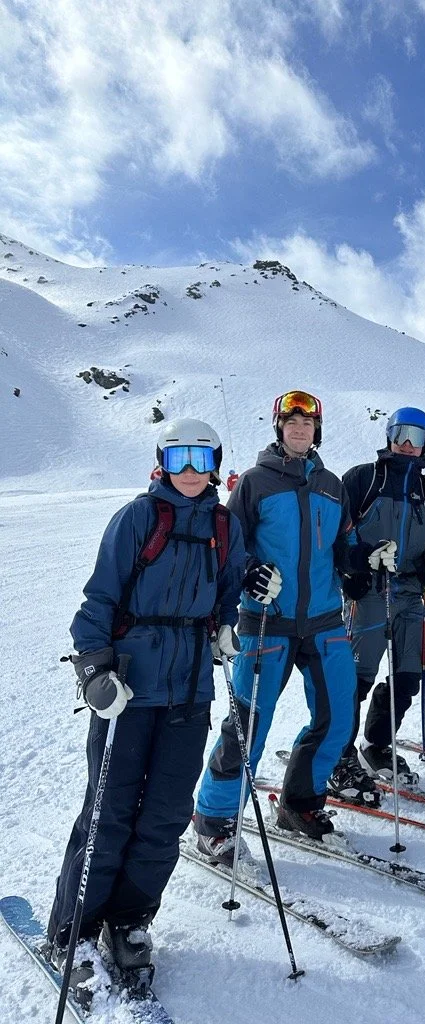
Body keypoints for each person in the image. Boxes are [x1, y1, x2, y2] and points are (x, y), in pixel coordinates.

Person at [47, 419, 245, 1004]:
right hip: (128, 690)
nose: (191, 470)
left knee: (164, 816)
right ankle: (74, 931)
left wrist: (226, 626)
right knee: (108, 812)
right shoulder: (138, 518)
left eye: (202, 458)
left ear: (215, 465)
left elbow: (228, 593)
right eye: (180, 457)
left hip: (190, 692)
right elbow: (98, 601)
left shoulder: (223, 526)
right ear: (162, 461)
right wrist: (94, 671)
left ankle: (130, 920)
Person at [194, 390, 368, 848]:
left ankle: (301, 803)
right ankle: (213, 819)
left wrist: (361, 564)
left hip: (325, 622)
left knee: (338, 718)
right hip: (267, 623)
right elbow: (229, 547)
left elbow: (344, 544)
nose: (299, 429)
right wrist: (250, 572)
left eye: (307, 424)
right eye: (291, 422)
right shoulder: (254, 483)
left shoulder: (332, 485)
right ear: (279, 428)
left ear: (316, 431)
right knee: (247, 725)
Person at [332, 407, 425, 798]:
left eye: (417, 437)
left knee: (408, 676)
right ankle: (338, 754)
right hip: (369, 592)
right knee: (356, 679)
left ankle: (377, 745)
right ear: (389, 436)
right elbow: (339, 531)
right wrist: (352, 571)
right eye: (401, 434)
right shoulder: (363, 479)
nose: (407, 444)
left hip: (410, 593)